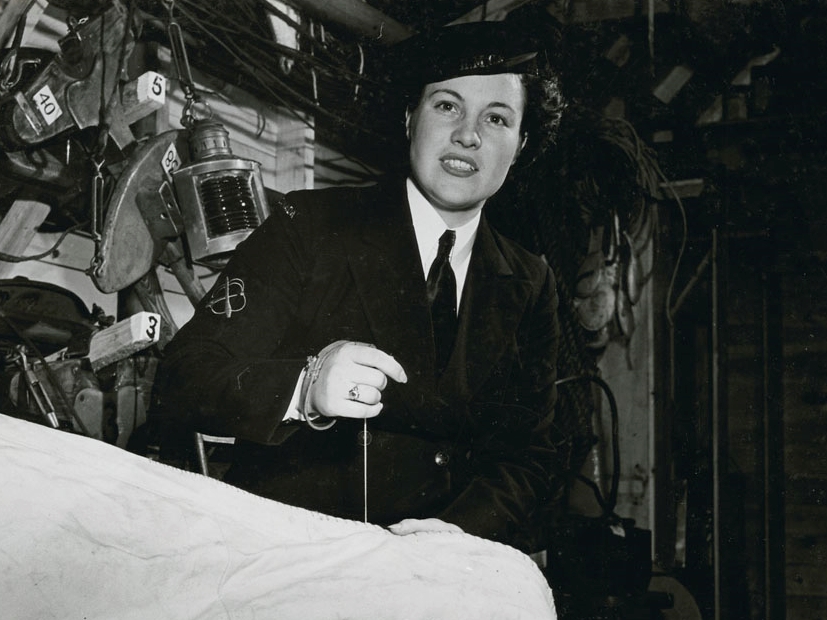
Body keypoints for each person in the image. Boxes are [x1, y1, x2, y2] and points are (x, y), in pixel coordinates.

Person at [156, 19, 569, 553]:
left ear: (520, 145)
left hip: (439, 564)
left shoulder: (531, 282)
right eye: (447, 106)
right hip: (294, 555)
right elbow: (184, 379)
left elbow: (528, 456)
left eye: (497, 118)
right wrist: (303, 388)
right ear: (410, 118)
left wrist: (462, 532)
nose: (468, 134)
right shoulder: (310, 226)